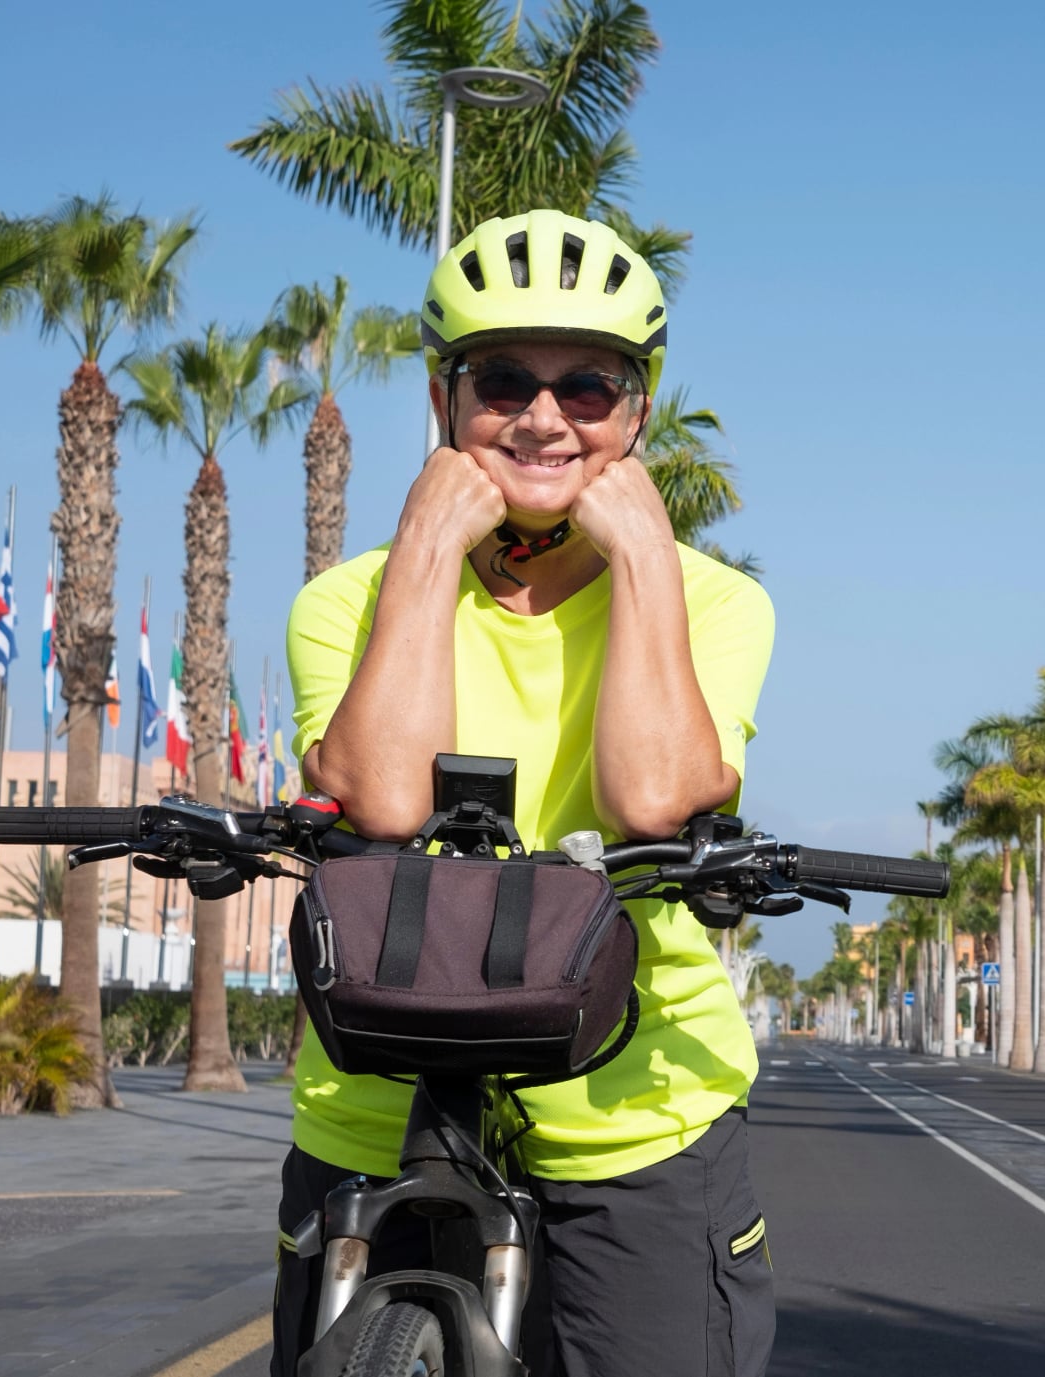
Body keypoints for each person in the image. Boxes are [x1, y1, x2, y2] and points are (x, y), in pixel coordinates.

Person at [271, 209, 776, 1377]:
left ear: (636, 413)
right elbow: (384, 805)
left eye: (590, 389)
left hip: (633, 1112)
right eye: (503, 381)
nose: (544, 419)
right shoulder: (348, 602)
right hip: (373, 1090)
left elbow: (653, 799)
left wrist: (646, 557)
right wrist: (424, 548)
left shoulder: (716, 603)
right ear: (445, 401)